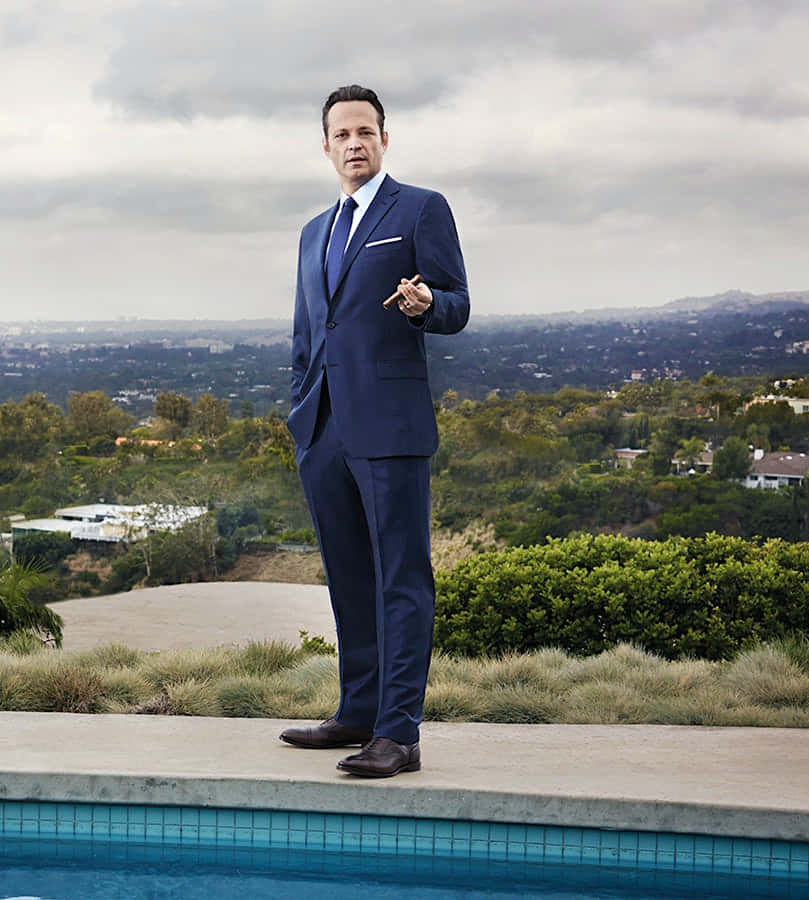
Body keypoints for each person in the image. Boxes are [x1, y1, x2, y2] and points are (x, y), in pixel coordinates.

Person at [279, 84, 470, 777]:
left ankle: (399, 734)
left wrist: (424, 305)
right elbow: (308, 332)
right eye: (341, 135)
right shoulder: (313, 232)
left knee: (401, 580)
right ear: (326, 146)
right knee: (350, 580)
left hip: (390, 426)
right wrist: (302, 414)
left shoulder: (420, 209)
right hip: (323, 428)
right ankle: (356, 711)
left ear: (384, 138)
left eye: (365, 131)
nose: (354, 144)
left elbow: (456, 304)